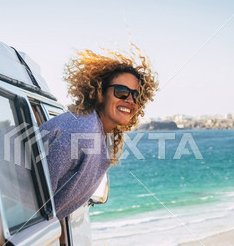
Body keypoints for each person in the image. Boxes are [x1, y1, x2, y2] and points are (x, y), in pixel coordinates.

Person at [39, 47, 158, 220]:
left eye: (137, 95)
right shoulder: (80, 131)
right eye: (121, 92)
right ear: (100, 93)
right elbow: (35, 201)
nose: (130, 100)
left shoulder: (99, 133)